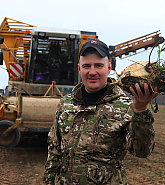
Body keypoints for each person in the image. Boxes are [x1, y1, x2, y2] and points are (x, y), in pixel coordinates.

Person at [44, 39, 158, 185]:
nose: (92, 72)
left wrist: (141, 110)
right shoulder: (65, 104)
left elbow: (142, 152)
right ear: (79, 69)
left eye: (98, 66)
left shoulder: (126, 107)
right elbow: (54, 150)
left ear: (109, 67)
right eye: (86, 66)